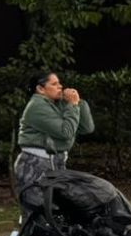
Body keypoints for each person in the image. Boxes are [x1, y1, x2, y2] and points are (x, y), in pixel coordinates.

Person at [14, 72, 94, 203]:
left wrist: (78, 102)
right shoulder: (37, 106)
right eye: (54, 84)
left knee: (56, 212)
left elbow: (86, 128)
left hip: (55, 162)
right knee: (38, 210)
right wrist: (73, 106)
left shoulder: (55, 105)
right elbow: (66, 132)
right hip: (36, 164)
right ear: (40, 89)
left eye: (59, 83)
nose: (60, 86)